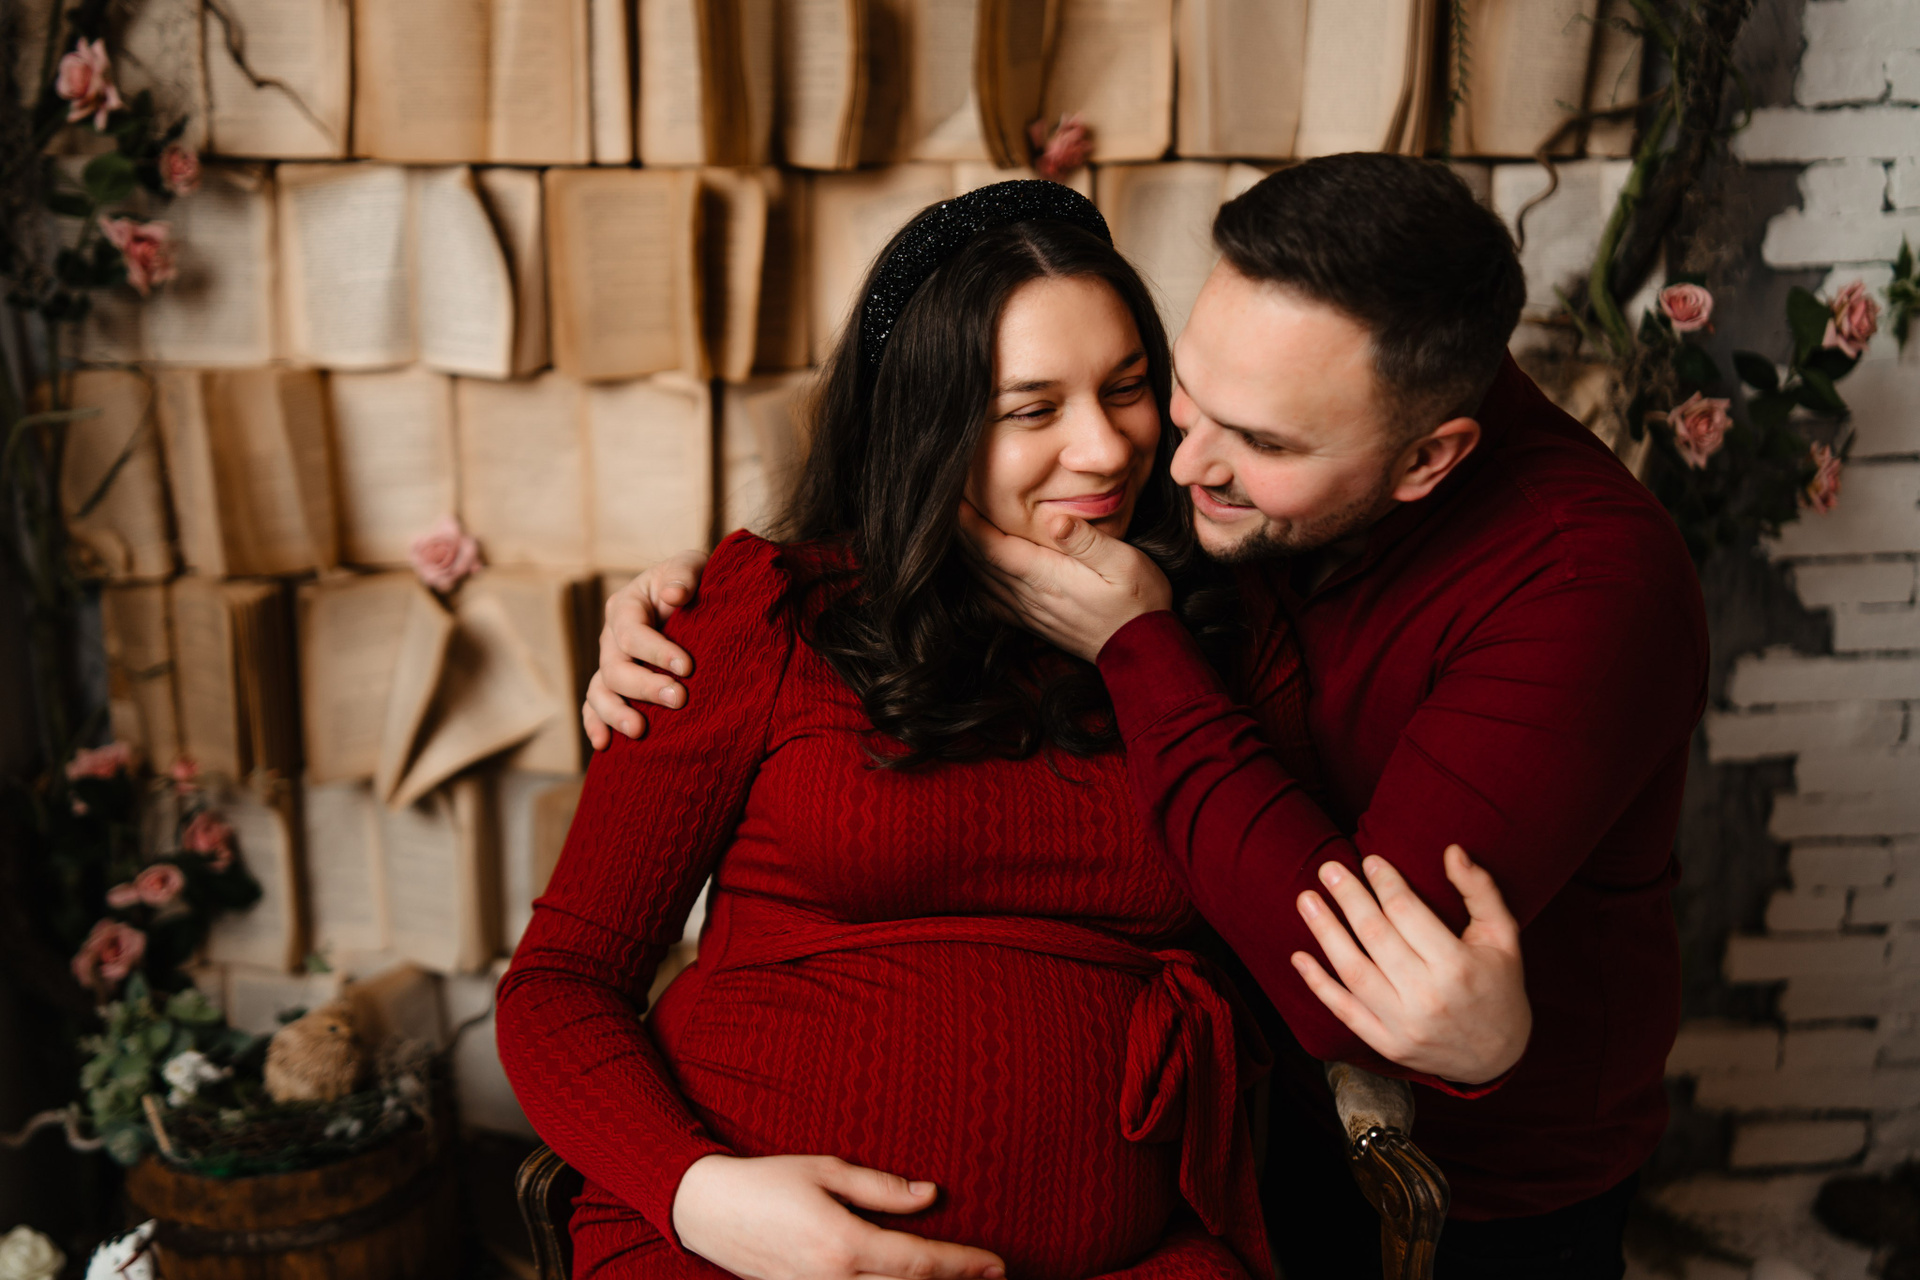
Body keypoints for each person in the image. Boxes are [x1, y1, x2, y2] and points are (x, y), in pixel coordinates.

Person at [586, 155, 1710, 1280]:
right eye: (1186, 395)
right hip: (1225, 1143)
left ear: (1425, 458)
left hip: (1475, 1186)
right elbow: (574, 969)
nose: (1159, 460)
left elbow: (1354, 990)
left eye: (1259, 442)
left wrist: (1140, 646)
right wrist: (711, 597)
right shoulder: (1223, 491)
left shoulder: (1580, 588)